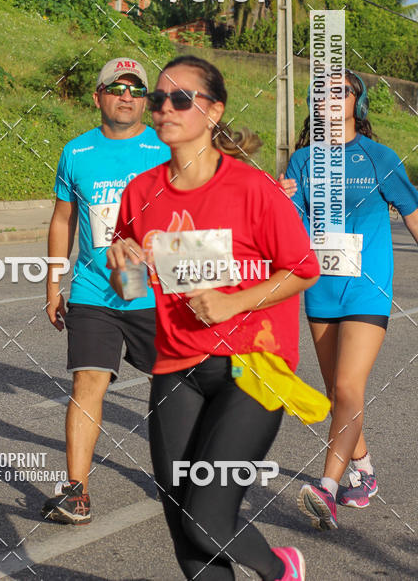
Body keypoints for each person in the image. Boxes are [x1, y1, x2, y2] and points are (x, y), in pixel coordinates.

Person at [107, 55, 322, 581]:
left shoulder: (252, 188)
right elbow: (134, 290)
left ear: (214, 110)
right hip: (176, 366)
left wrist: (233, 301)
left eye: (181, 98)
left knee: (206, 521)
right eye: (158, 100)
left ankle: (281, 569)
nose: (164, 108)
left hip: (252, 367)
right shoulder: (141, 191)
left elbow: (302, 269)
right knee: (182, 523)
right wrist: (121, 268)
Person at [284, 69, 418, 530]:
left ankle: (327, 487)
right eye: (322, 92)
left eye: (341, 91)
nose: (331, 98)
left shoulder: (380, 158)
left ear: (358, 103)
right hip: (319, 288)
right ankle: (363, 468)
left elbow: (413, 215)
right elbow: (287, 228)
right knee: (337, 392)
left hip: (368, 286)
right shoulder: (302, 161)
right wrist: (280, 199)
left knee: (347, 387)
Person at [41, 57, 170, 524]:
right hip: (97, 289)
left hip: (155, 293)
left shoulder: (164, 147)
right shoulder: (76, 153)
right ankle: (76, 492)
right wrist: (54, 282)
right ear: (98, 96)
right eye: (116, 88)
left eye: (136, 89)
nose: (126, 96)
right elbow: (62, 220)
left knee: (174, 387)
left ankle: (182, 478)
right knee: (87, 382)